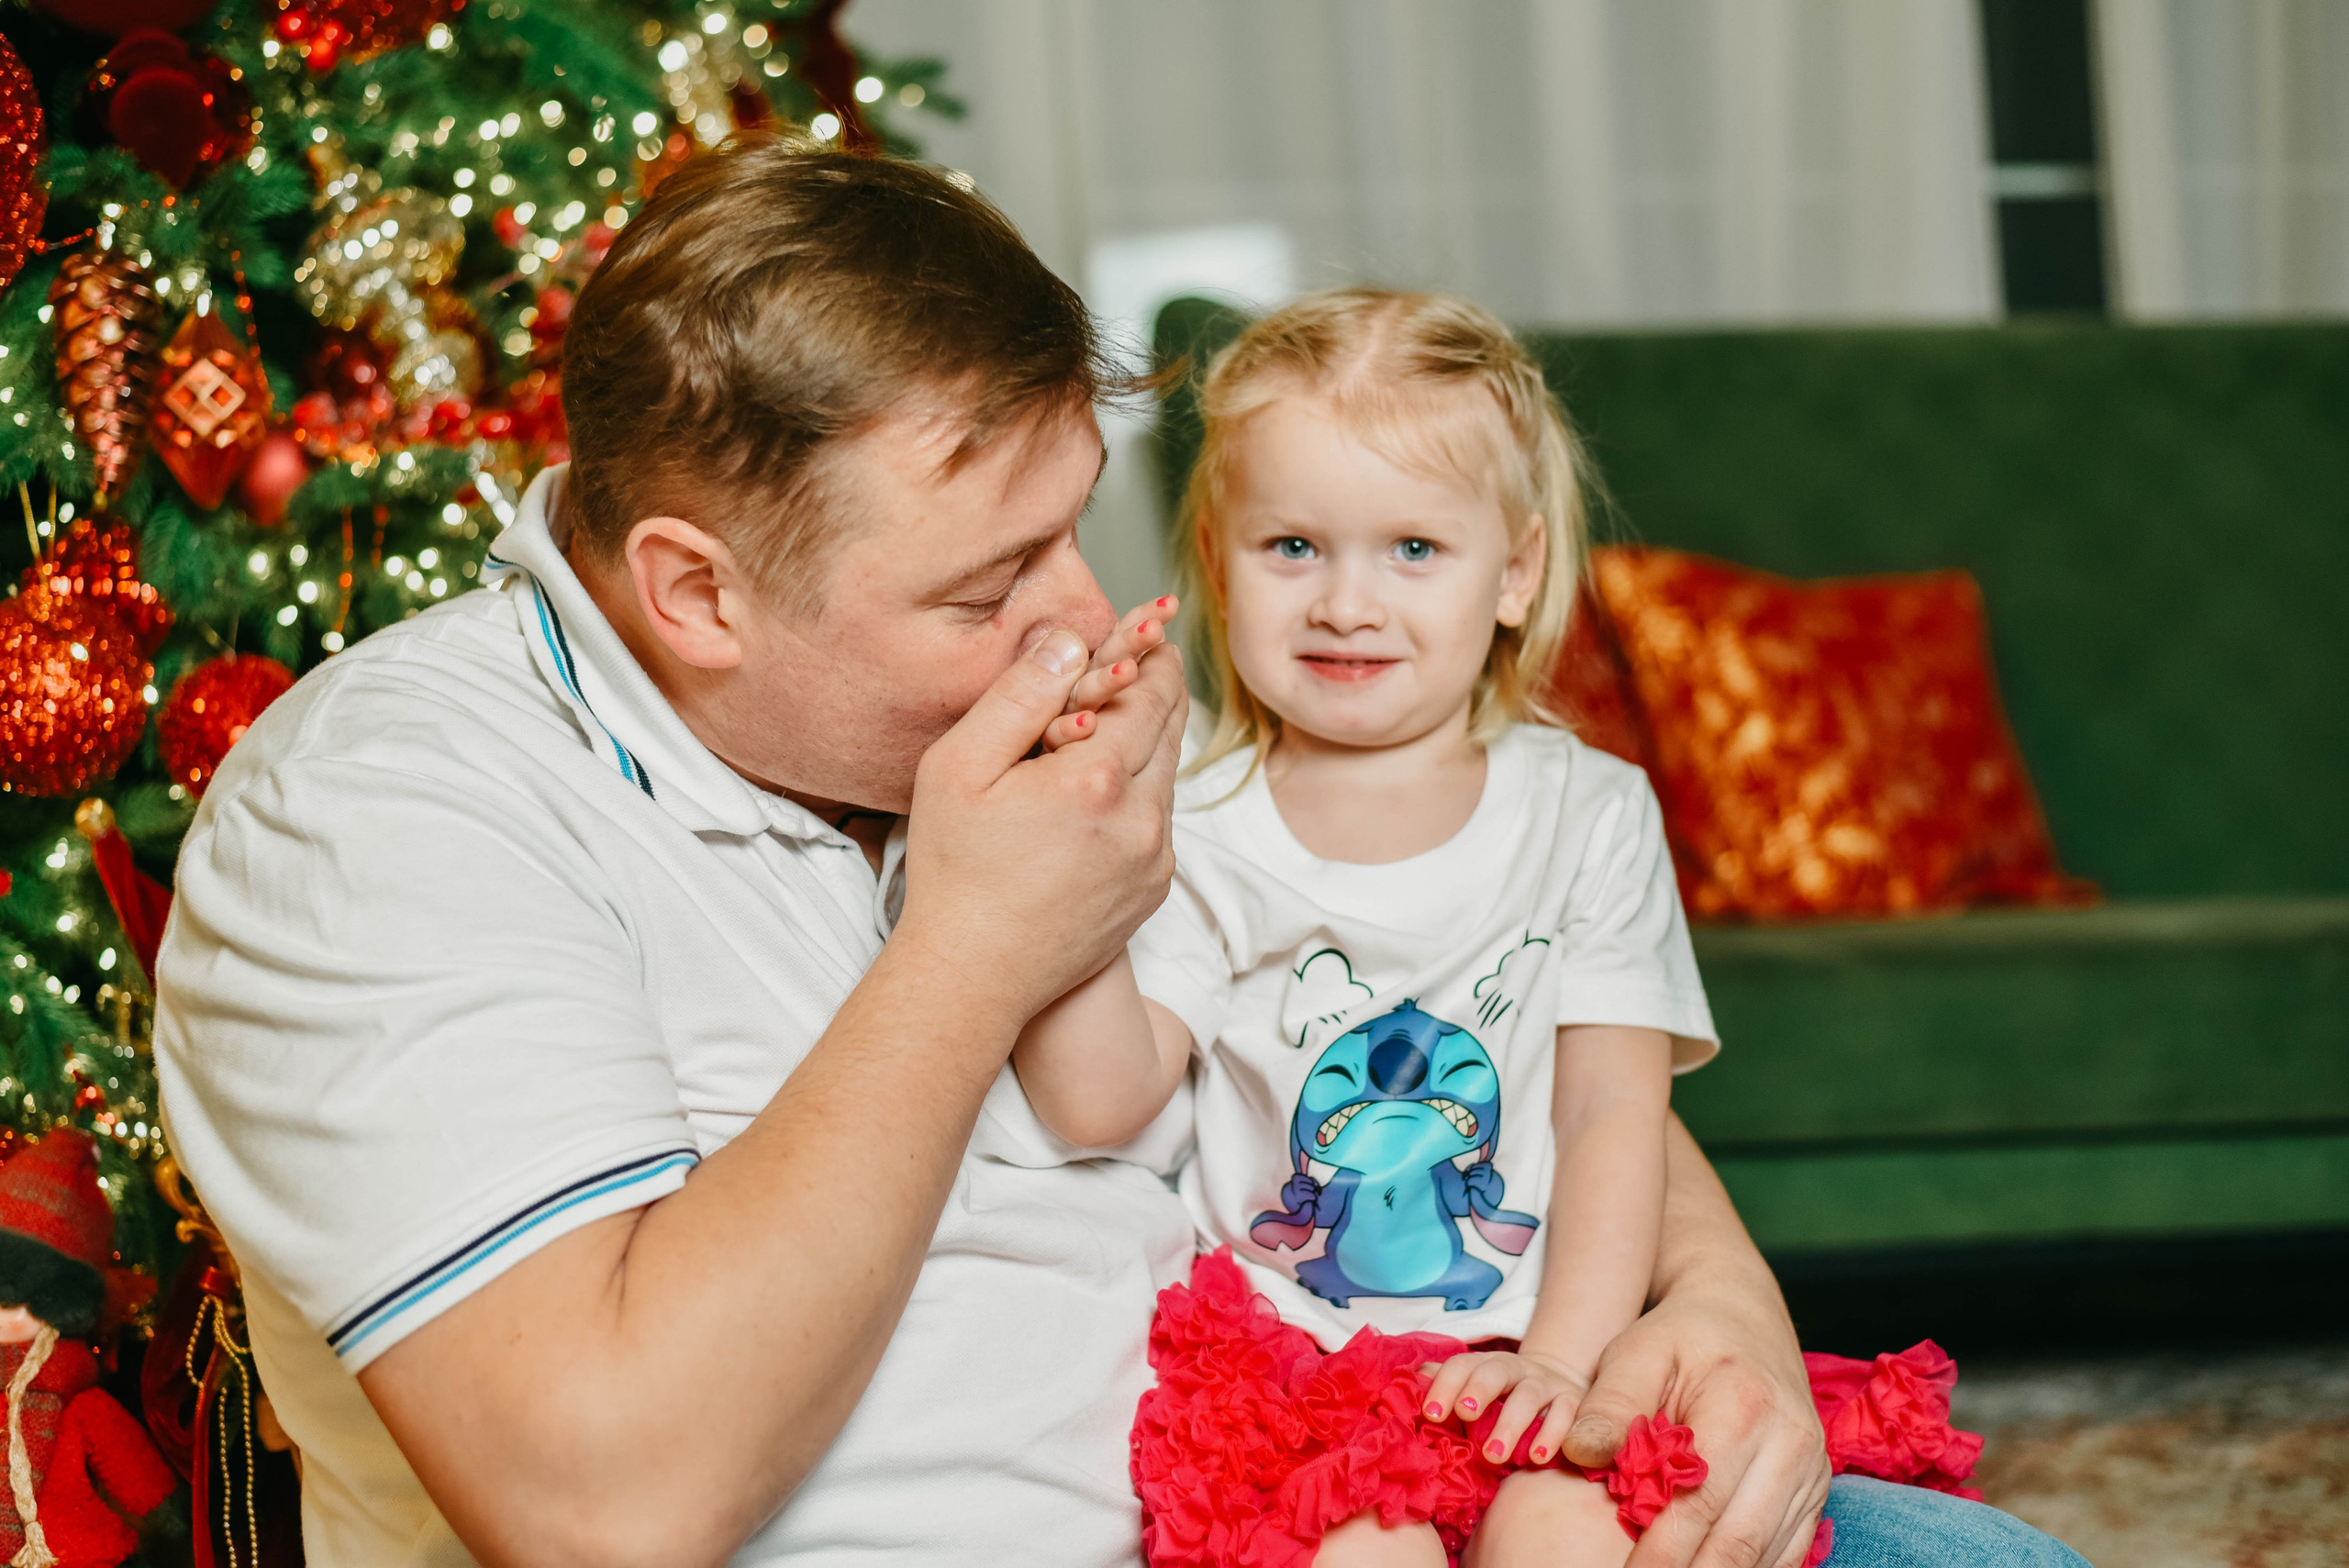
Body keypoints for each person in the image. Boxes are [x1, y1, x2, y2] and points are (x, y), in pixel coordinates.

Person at [150, 139, 2086, 1568]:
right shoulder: (387, 818)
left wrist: (1715, 1301)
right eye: (987, 581)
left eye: (1077, 528)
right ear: (697, 594)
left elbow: (1427, 1004)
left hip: (1372, 1462)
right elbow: (603, 1504)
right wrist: (976, 949)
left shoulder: (938, 716)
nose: (1084, 620)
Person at [1010, 289, 2043, 1568]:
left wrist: (1562, 1359)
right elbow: (1097, 1098)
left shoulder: (1589, 813)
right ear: (1217, 562)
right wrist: (1083, 836)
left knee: (1568, 1533)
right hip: (1300, 1375)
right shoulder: (1201, 821)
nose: (1346, 602)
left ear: (1515, 572)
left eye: (1412, 548)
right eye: (1293, 547)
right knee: (1361, 1550)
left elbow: (1612, 1112)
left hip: (1547, 1337)